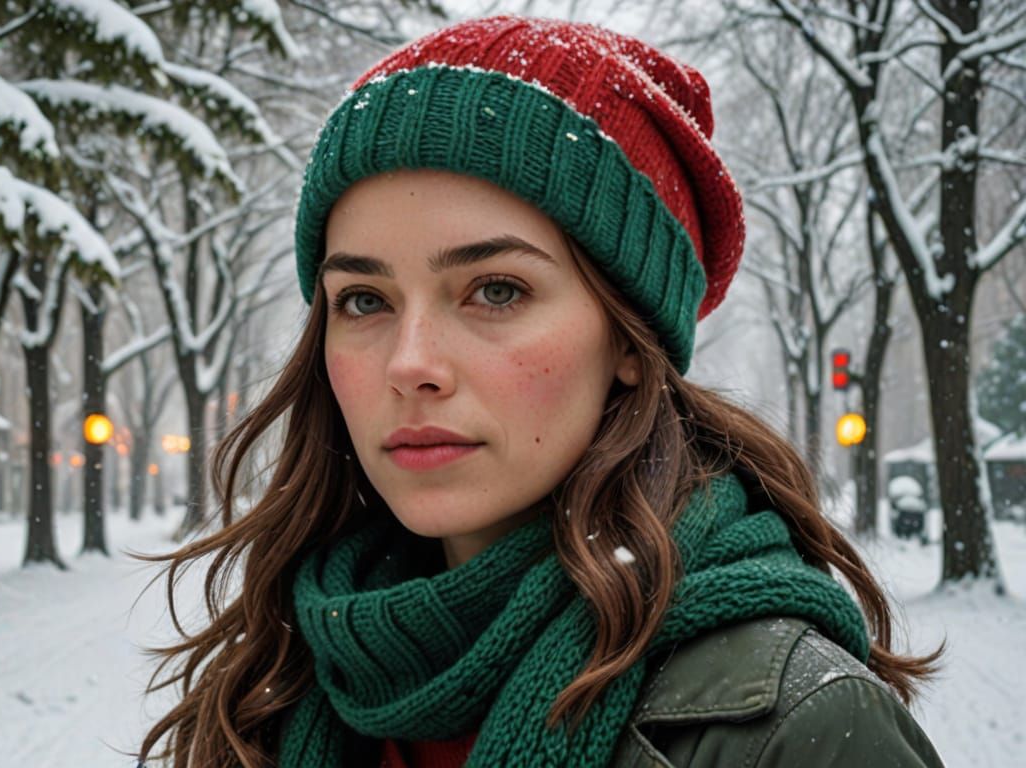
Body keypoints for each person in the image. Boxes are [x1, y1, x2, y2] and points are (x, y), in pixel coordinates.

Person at [135, 15, 944, 768]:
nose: (410, 364)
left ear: (628, 340)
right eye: (365, 300)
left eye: (496, 291)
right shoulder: (271, 686)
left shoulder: (793, 728)